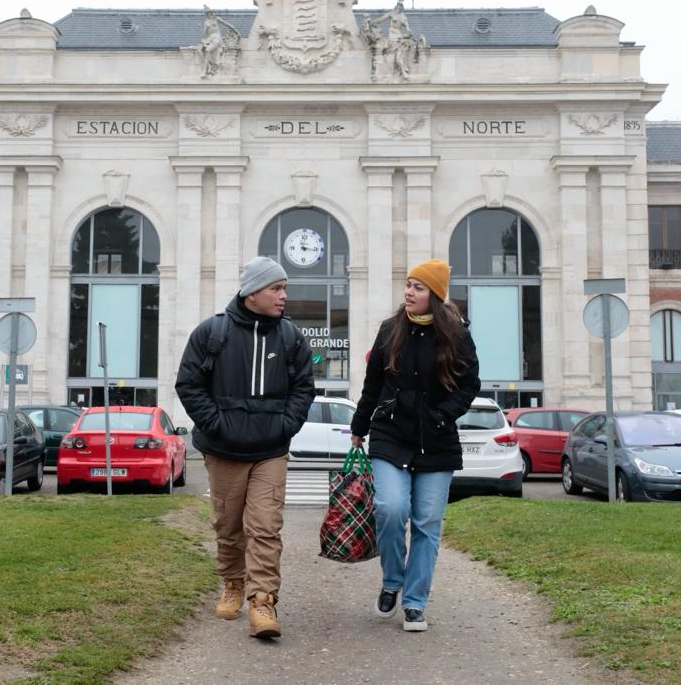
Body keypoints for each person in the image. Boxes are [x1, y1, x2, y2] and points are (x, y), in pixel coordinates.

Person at [175, 256, 315, 639]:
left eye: (284, 288)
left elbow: (304, 388)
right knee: (228, 525)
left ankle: (262, 601)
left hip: (270, 450)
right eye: (277, 288)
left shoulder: (291, 337)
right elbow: (188, 385)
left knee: (266, 527)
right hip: (223, 450)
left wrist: (286, 425)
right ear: (253, 292)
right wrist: (216, 425)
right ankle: (233, 582)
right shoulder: (211, 333)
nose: (284, 296)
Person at [349, 259, 479, 632]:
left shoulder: (457, 335)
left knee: (426, 524)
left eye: (418, 287)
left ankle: (415, 602)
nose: (409, 292)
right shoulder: (390, 330)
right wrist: (359, 426)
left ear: (435, 296)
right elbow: (372, 384)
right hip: (391, 433)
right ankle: (392, 580)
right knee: (390, 509)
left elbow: (471, 386)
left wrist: (444, 414)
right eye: (408, 285)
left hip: (436, 441)